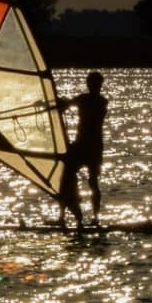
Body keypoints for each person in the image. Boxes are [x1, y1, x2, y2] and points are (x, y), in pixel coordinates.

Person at [57, 71, 108, 225]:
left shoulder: (97, 101)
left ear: (99, 85)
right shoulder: (92, 100)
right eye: (91, 84)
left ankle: (94, 218)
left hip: (89, 147)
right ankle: (64, 216)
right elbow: (65, 104)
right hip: (86, 146)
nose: (92, 86)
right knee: (67, 178)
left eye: (95, 84)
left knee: (91, 182)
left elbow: (66, 104)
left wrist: (60, 104)